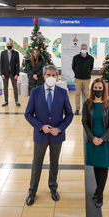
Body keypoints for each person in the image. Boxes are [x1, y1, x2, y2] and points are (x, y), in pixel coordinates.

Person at [24, 65, 74, 206]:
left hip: (56, 136)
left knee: (54, 163)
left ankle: (53, 187)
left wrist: (59, 129)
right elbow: (28, 114)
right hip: (41, 135)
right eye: (48, 74)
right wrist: (41, 126)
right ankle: (32, 191)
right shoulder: (35, 92)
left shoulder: (63, 93)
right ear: (44, 76)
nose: (51, 77)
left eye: (54, 75)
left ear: (57, 77)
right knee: (37, 163)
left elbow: (69, 114)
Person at [82, 78, 109, 208]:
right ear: (92, 90)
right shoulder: (87, 103)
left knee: (103, 167)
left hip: (105, 140)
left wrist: (101, 138)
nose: (98, 90)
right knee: (96, 166)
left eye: (100, 88)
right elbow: (84, 122)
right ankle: (98, 189)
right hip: (92, 140)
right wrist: (92, 138)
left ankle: (100, 194)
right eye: (95, 88)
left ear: (104, 89)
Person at [73, 44, 94, 115]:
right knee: (77, 93)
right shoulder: (75, 57)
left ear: (87, 49)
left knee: (86, 94)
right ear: (80, 49)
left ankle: (86, 108)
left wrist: (87, 73)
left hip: (86, 78)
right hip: (78, 78)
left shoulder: (91, 58)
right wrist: (77, 72)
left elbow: (91, 67)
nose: (83, 49)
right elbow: (74, 67)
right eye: (82, 48)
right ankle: (77, 108)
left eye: (85, 48)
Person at [0, 40, 20, 107]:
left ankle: (16, 101)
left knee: (15, 87)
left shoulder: (16, 53)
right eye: (8, 44)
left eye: (10, 44)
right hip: (5, 73)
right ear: (6, 45)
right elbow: (1, 64)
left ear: (12, 45)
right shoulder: (3, 53)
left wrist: (17, 74)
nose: (9, 45)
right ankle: (6, 101)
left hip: (13, 73)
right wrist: (1, 73)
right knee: (5, 88)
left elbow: (18, 65)